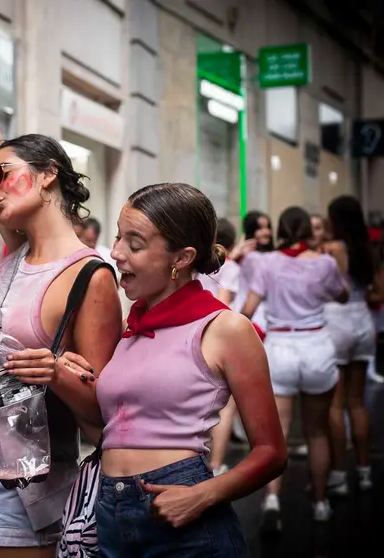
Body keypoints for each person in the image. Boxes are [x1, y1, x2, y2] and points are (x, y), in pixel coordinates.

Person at [0, 7, 122, 556]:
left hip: (29, 480)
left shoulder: (90, 277)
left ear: (47, 176)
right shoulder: (15, 248)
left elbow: (104, 415)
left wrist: (56, 375)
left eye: (5, 176)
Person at [96, 182, 285, 556]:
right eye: (118, 238)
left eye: (134, 244)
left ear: (181, 258)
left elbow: (272, 452)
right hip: (110, 510)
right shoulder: (129, 327)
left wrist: (203, 495)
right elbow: (109, 426)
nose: (116, 253)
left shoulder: (225, 329)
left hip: (185, 514)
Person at [242, 206, 349, 528]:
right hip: (316, 346)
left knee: (279, 432)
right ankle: (319, 503)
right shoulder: (325, 263)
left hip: (280, 348)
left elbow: (248, 309)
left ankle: (272, 500)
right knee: (316, 432)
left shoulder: (267, 262)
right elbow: (342, 296)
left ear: (282, 228)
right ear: (307, 229)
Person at [323, 195, 377, 494]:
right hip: (363, 321)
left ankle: (338, 475)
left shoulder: (333, 249)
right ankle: (365, 470)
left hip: (336, 321)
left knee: (336, 403)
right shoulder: (367, 250)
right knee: (358, 402)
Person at [202, 217, 245, 476]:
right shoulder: (230, 268)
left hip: (194, 334)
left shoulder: (197, 263)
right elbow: (224, 303)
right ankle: (216, 465)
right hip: (220, 337)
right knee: (225, 406)